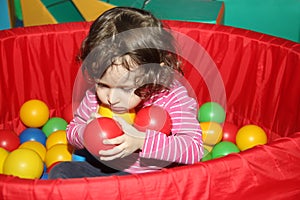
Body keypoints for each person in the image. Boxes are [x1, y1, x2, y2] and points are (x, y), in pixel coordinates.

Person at [49, 7, 203, 179]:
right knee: (60, 171)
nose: (111, 99)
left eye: (125, 88)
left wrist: (141, 140)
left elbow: (194, 149)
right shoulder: (94, 97)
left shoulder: (171, 96)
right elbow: (72, 131)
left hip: (152, 176)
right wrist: (85, 132)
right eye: (103, 85)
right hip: (103, 169)